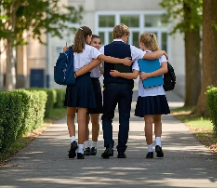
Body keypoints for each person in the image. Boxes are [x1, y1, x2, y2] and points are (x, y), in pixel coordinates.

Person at [98, 24, 168, 159]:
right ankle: (121, 150)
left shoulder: (104, 49)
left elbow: (101, 67)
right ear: (125, 36)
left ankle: (108, 146)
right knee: (124, 118)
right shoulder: (132, 49)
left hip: (110, 87)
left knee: (107, 117)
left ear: (114, 35)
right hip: (125, 88)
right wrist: (163, 52)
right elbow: (151, 56)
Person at [63, 26, 132, 160]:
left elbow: (64, 65)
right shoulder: (90, 50)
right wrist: (122, 61)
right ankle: (82, 150)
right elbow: (106, 58)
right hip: (85, 83)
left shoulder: (70, 50)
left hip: (72, 83)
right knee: (83, 119)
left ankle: (73, 140)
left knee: (70, 117)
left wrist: (65, 53)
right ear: (88, 37)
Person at [84, 35, 103, 156]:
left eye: (99, 43)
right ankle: (86, 146)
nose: (97, 44)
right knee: (84, 119)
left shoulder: (101, 56)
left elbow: (103, 71)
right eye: (94, 42)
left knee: (94, 119)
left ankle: (94, 146)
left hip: (95, 85)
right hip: (84, 84)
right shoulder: (84, 54)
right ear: (89, 43)